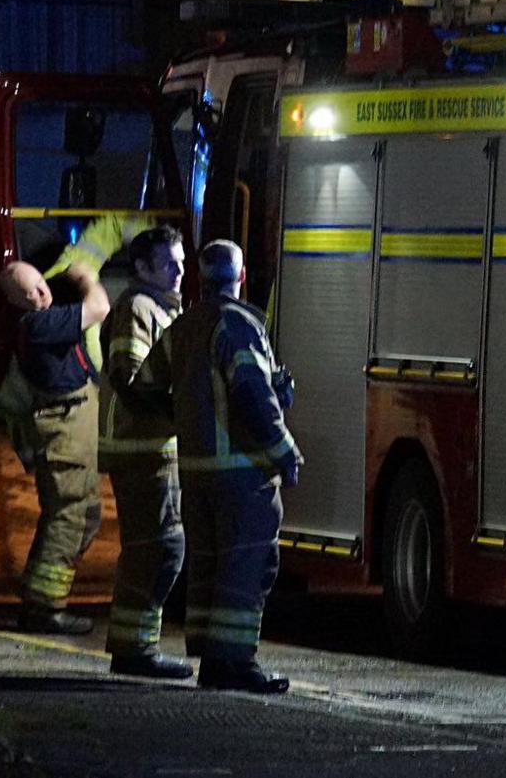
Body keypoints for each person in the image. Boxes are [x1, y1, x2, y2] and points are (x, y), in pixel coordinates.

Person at [170, 240, 302, 694]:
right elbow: (250, 392)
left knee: (209, 564)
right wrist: (284, 449)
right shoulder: (239, 323)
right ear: (241, 277)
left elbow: (147, 388)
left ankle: (212, 660)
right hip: (241, 469)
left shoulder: (184, 325)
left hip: (196, 469)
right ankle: (236, 662)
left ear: (200, 280)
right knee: (246, 565)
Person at [98, 226, 194, 678]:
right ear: (141, 268)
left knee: (158, 546)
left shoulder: (159, 309)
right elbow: (128, 375)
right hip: (143, 449)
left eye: (181, 261)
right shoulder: (138, 308)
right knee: (158, 547)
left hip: (154, 447)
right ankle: (135, 651)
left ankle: (137, 647)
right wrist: (183, 414)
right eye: (168, 263)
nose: (179, 271)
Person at [0, 259, 109, 634]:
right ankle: (45, 608)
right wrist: (84, 277)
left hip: (72, 424)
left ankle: (38, 593)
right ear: (15, 300)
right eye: (28, 291)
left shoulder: (41, 323)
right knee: (69, 516)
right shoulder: (39, 325)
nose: (39, 294)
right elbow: (99, 308)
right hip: (65, 428)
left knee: (85, 515)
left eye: (41, 285)